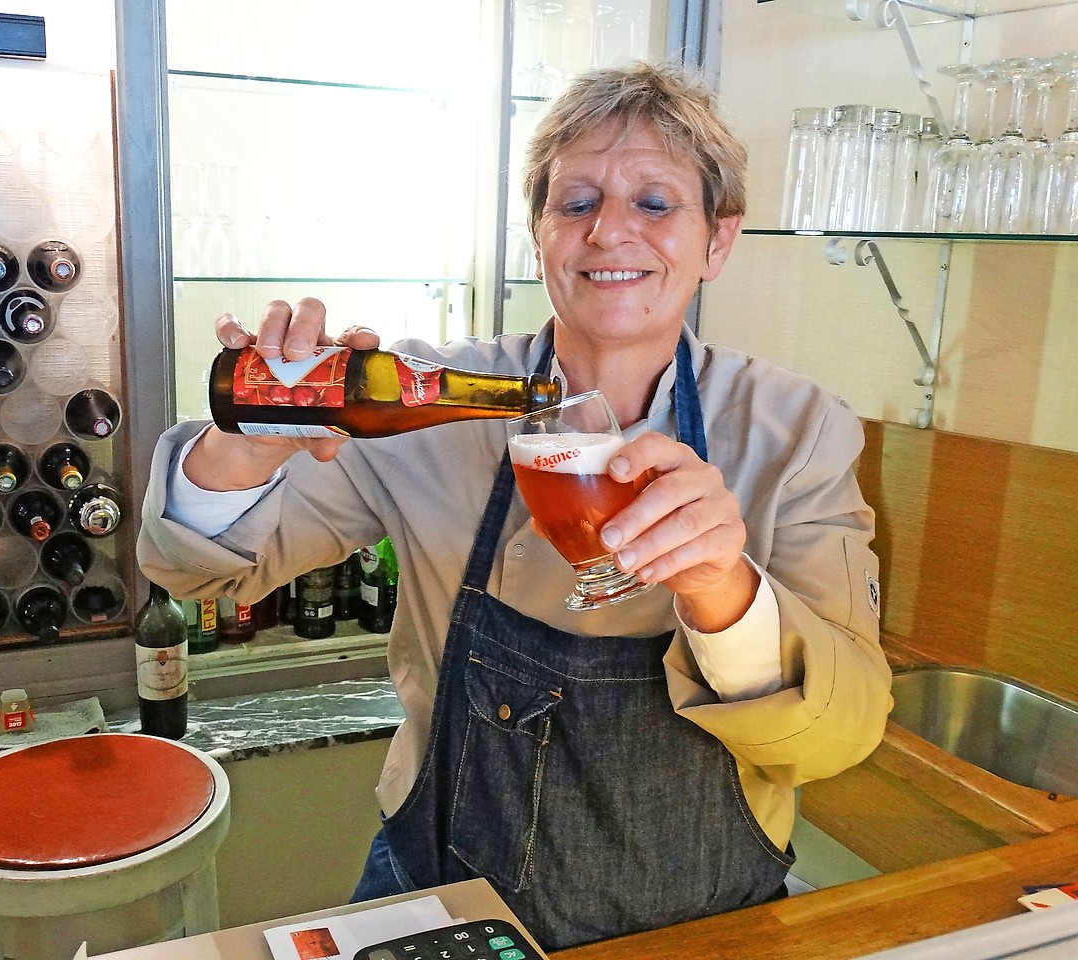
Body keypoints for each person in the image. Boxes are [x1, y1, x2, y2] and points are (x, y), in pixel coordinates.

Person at [138, 62, 892, 950]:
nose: (609, 231)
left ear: (717, 242)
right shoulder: (430, 403)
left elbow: (839, 737)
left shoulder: (799, 429)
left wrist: (724, 589)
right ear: (539, 232)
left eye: (654, 204)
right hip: (440, 898)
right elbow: (194, 570)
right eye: (576, 203)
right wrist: (244, 444)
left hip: (703, 917)